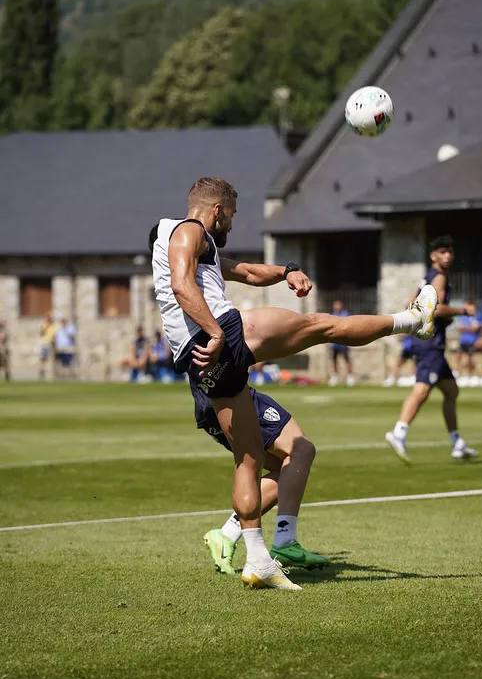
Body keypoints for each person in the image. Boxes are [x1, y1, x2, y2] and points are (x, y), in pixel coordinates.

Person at [150, 177, 437, 591]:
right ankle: (413, 321)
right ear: (216, 211)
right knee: (322, 325)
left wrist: (286, 271)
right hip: (224, 333)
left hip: (201, 365)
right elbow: (182, 285)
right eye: (230, 216)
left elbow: (245, 271)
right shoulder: (190, 231)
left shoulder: (192, 246)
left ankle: (259, 558)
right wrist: (215, 332)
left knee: (248, 460)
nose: (230, 225)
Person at [198, 384, 327, 575]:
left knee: (286, 470)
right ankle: (284, 540)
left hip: (211, 404)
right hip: (233, 397)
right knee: (302, 450)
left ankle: (226, 535)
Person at [385, 235, 479, 464]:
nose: (447, 256)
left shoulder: (425, 278)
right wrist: (463, 312)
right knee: (422, 389)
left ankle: (457, 443)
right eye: (442, 252)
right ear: (433, 255)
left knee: (451, 391)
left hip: (426, 340)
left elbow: (410, 303)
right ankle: (399, 432)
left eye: (449, 252)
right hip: (431, 343)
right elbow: (435, 310)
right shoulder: (439, 278)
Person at [328, 300, 356, 386]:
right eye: (336, 305)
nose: (337, 307)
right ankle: (335, 376)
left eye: (338, 305)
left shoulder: (346, 314)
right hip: (334, 342)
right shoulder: (331, 315)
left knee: (347, 360)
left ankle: (350, 376)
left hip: (343, 342)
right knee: (334, 360)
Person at [455, 301, 480, 381]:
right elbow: (459, 328)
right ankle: (456, 374)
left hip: (471, 341)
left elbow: (474, 329)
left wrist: (465, 328)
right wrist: (468, 327)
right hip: (463, 340)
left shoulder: (476, 316)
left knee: (469, 358)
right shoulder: (463, 316)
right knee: (458, 356)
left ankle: (469, 375)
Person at [39, 313, 56, 380]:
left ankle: (51, 373)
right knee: (43, 358)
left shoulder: (54, 325)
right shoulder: (44, 325)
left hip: (51, 344)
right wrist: (46, 327)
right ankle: (42, 371)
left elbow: (55, 335)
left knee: (51, 359)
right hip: (45, 343)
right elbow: (41, 333)